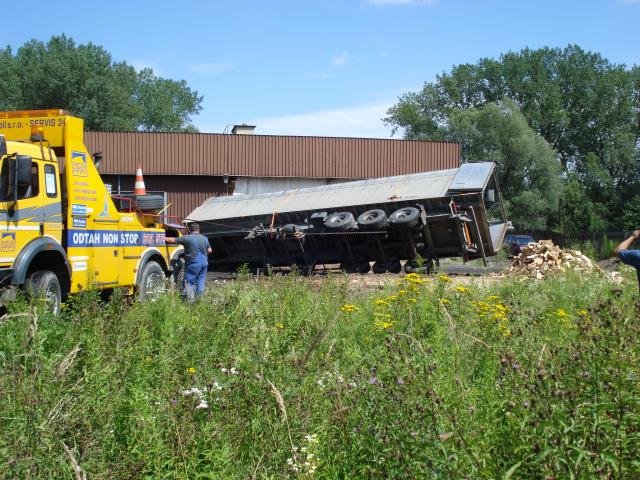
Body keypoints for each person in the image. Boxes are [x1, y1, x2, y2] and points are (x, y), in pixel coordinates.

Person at [165, 222, 212, 302]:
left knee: (189, 282)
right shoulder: (204, 238)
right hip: (204, 263)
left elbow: (172, 240)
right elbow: (209, 250)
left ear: (189, 230)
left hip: (193, 263)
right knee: (200, 282)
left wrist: (161, 238)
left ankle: (190, 302)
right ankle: (199, 301)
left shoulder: (187, 238)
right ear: (198, 229)